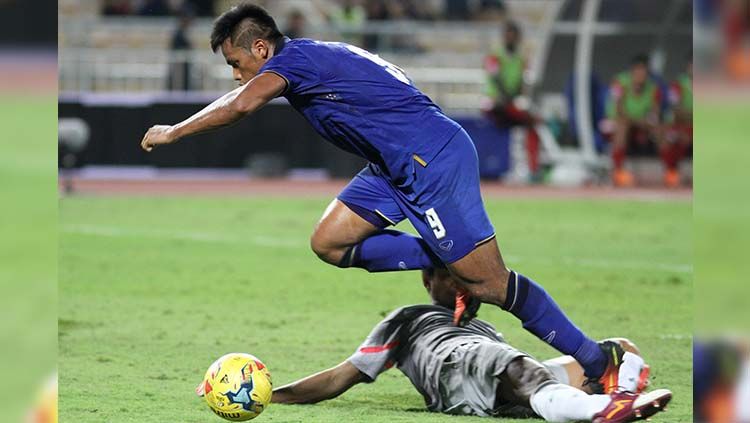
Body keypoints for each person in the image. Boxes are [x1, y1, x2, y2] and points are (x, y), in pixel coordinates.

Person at [141, 3, 631, 394]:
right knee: (330, 242)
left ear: (262, 48)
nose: (235, 75)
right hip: (394, 165)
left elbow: (243, 105)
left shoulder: (296, 60)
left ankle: (596, 360)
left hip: (429, 159)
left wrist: (175, 131)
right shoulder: (317, 55)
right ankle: (445, 258)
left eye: (236, 62)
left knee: (488, 285)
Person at [263, 268, 671, 422]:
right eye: (450, 278)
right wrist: (271, 397)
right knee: (517, 367)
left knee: (616, 348)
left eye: (469, 280)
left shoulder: (486, 331)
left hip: (496, 375)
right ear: (428, 282)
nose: (462, 286)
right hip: (452, 366)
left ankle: (609, 396)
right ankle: (603, 409)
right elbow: (340, 377)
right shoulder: (409, 320)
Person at [483, 21, 543, 182]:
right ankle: (526, 167)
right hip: (495, 101)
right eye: (508, 36)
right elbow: (495, 78)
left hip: (511, 102)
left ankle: (532, 167)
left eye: (514, 36)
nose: (511, 39)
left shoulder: (521, 57)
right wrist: (508, 97)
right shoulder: (495, 55)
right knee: (527, 119)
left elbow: (523, 80)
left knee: (533, 122)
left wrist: (517, 97)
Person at [606, 54, 664, 187]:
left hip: (641, 123)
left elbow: (655, 112)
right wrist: (638, 121)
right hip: (615, 121)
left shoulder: (653, 88)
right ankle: (618, 171)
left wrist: (650, 121)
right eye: (638, 70)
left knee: (662, 129)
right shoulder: (619, 82)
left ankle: (670, 171)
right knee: (622, 126)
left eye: (644, 71)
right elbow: (619, 110)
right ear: (632, 71)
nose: (641, 74)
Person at [664, 54, 693, 187]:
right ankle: (672, 172)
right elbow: (676, 111)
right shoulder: (677, 85)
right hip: (681, 125)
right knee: (676, 137)